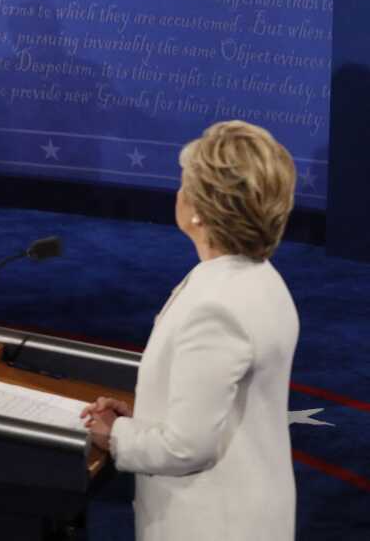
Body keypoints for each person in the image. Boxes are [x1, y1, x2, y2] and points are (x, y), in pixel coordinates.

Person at [81, 120, 299, 540]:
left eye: (186, 184)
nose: (178, 193)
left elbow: (188, 447)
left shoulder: (216, 306)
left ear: (199, 211)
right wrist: (142, 421)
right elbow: (219, 404)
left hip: (212, 524)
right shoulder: (262, 279)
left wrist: (116, 436)